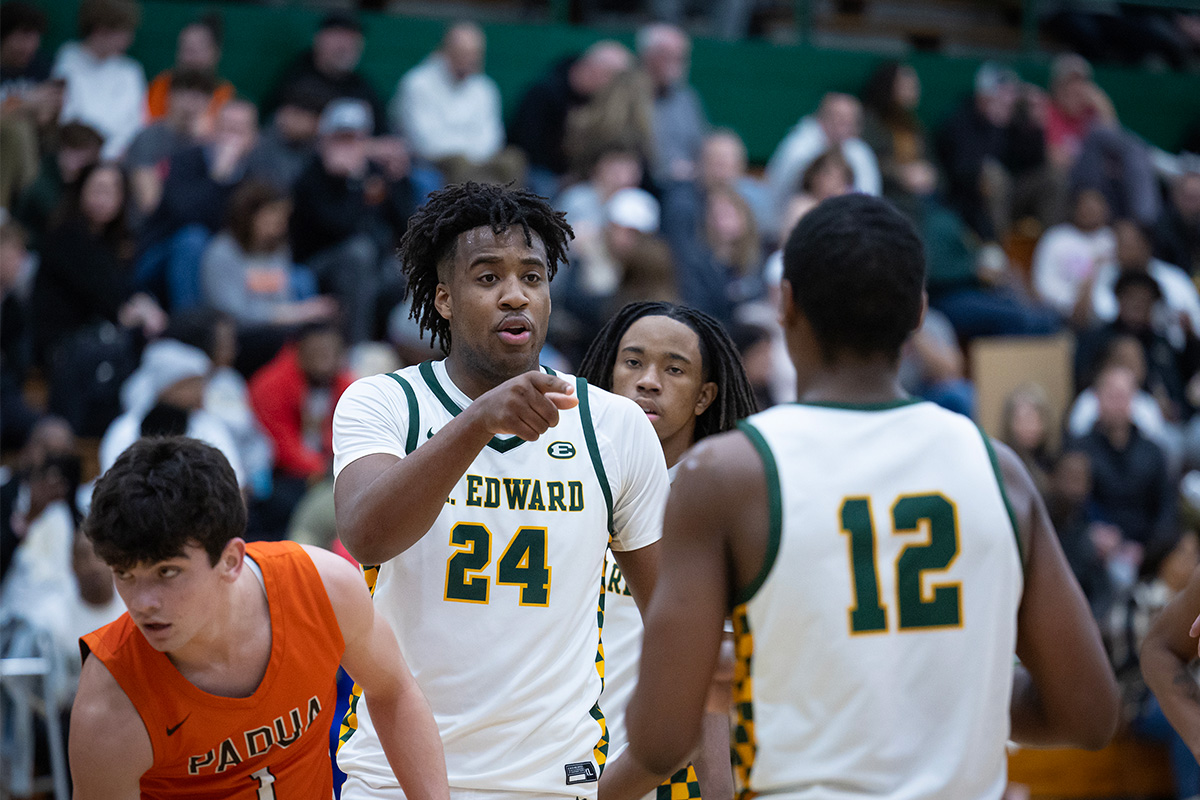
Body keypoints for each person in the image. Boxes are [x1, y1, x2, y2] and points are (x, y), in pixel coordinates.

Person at [598, 194, 1119, 800]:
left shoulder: (727, 474)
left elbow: (662, 737)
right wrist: (932, 694)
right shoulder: (1000, 471)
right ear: (920, 313)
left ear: (785, 304)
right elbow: (1088, 713)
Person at [332, 182, 669, 798]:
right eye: (487, 278)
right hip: (393, 778)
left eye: (532, 277)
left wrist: (630, 778)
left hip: (552, 781)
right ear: (444, 299)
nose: (515, 295)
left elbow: (671, 621)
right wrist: (478, 421)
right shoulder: (385, 402)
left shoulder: (613, 425)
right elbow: (366, 533)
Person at [68, 436, 450, 799]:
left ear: (230, 560)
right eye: (125, 574)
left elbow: (394, 691)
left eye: (167, 572)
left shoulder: (323, 587)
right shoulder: (109, 705)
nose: (142, 602)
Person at [578, 301, 758, 800]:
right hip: (552, 760)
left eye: (673, 369)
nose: (649, 381)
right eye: (633, 362)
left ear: (704, 397)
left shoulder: (716, 510)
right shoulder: (561, 483)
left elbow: (711, 692)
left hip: (663, 774)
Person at [390, 21, 523, 187]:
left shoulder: (485, 88)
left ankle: (511, 212)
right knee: (461, 164)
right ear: (447, 50)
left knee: (513, 159)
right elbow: (425, 142)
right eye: (464, 53)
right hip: (431, 164)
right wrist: (467, 152)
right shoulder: (417, 84)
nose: (471, 60)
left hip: (480, 160)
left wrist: (473, 156)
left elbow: (493, 137)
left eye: (476, 54)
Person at [51, 0, 146, 160]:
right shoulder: (68, 59)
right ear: (99, 29)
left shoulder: (130, 71)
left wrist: (109, 156)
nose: (128, 39)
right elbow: (67, 115)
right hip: (73, 156)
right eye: (122, 31)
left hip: (117, 163)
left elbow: (134, 124)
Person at [636, 23, 707, 184]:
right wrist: (668, 168)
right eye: (668, 56)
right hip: (643, 181)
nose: (677, 64)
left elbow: (700, 144)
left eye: (681, 57)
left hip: (689, 180)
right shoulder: (627, 95)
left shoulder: (686, 98)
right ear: (648, 56)